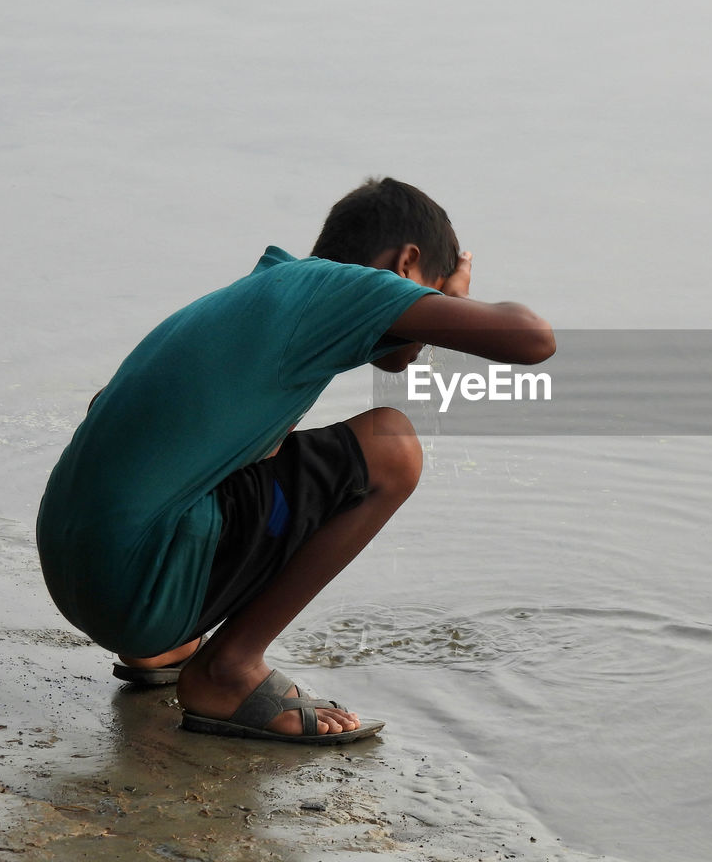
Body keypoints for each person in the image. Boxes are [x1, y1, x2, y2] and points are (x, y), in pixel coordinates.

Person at [36, 177, 554, 744]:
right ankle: (228, 671)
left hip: (78, 574)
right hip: (133, 587)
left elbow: (116, 417)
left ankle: (160, 644)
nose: (428, 322)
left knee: (265, 452)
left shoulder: (268, 293)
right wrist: (454, 301)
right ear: (406, 263)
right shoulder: (347, 288)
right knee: (392, 448)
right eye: (429, 292)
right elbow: (531, 339)